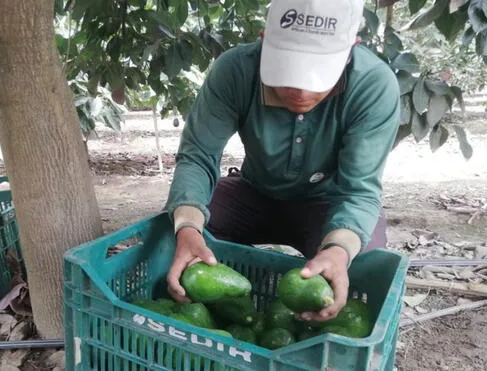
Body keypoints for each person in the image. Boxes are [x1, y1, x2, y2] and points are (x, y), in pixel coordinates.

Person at [164, 0, 400, 323]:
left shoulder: (374, 86)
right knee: (174, 231)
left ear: (350, 50)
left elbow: (359, 192)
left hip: (326, 204)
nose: (301, 91)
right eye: (288, 72)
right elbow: (198, 155)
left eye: (317, 77)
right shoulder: (236, 70)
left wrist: (339, 249)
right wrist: (188, 226)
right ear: (264, 40)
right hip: (254, 193)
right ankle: (235, 298)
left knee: (365, 258)